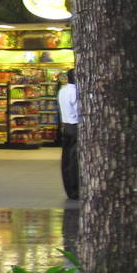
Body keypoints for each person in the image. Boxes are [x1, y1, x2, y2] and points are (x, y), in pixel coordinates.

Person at [58, 70, 80, 201]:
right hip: (75, 125)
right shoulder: (75, 91)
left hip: (66, 125)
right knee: (74, 160)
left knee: (67, 159)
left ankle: (69, 189)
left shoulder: (63, 90)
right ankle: (75, 188)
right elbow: (79, 110)